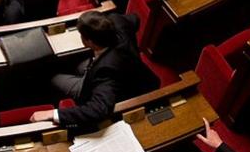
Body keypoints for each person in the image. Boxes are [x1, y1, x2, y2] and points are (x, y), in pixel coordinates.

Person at [31, 10, 160, 132]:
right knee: (77, 65)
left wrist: (53, 113)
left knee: (53, 77)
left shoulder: (106, 71)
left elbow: (98, 109)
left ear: (90, 42)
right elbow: (135, 19)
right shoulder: (117, 21)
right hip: (124, 68)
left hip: (109, 84)